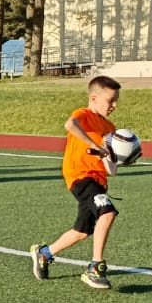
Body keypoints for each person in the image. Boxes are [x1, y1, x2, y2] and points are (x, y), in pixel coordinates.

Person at [32, 75, 124, 290]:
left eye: (116, 101)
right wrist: (95, 145)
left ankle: (44, 253)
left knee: (82, 231)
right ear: (94, 98)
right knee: (108, 212)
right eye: (110, 100)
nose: (114, 105)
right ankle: (95, 268)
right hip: (80, 176)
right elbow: (70, 124)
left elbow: (111, 169)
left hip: (98, 181)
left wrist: (117, 158)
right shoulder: (83, 114)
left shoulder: (110, 127)